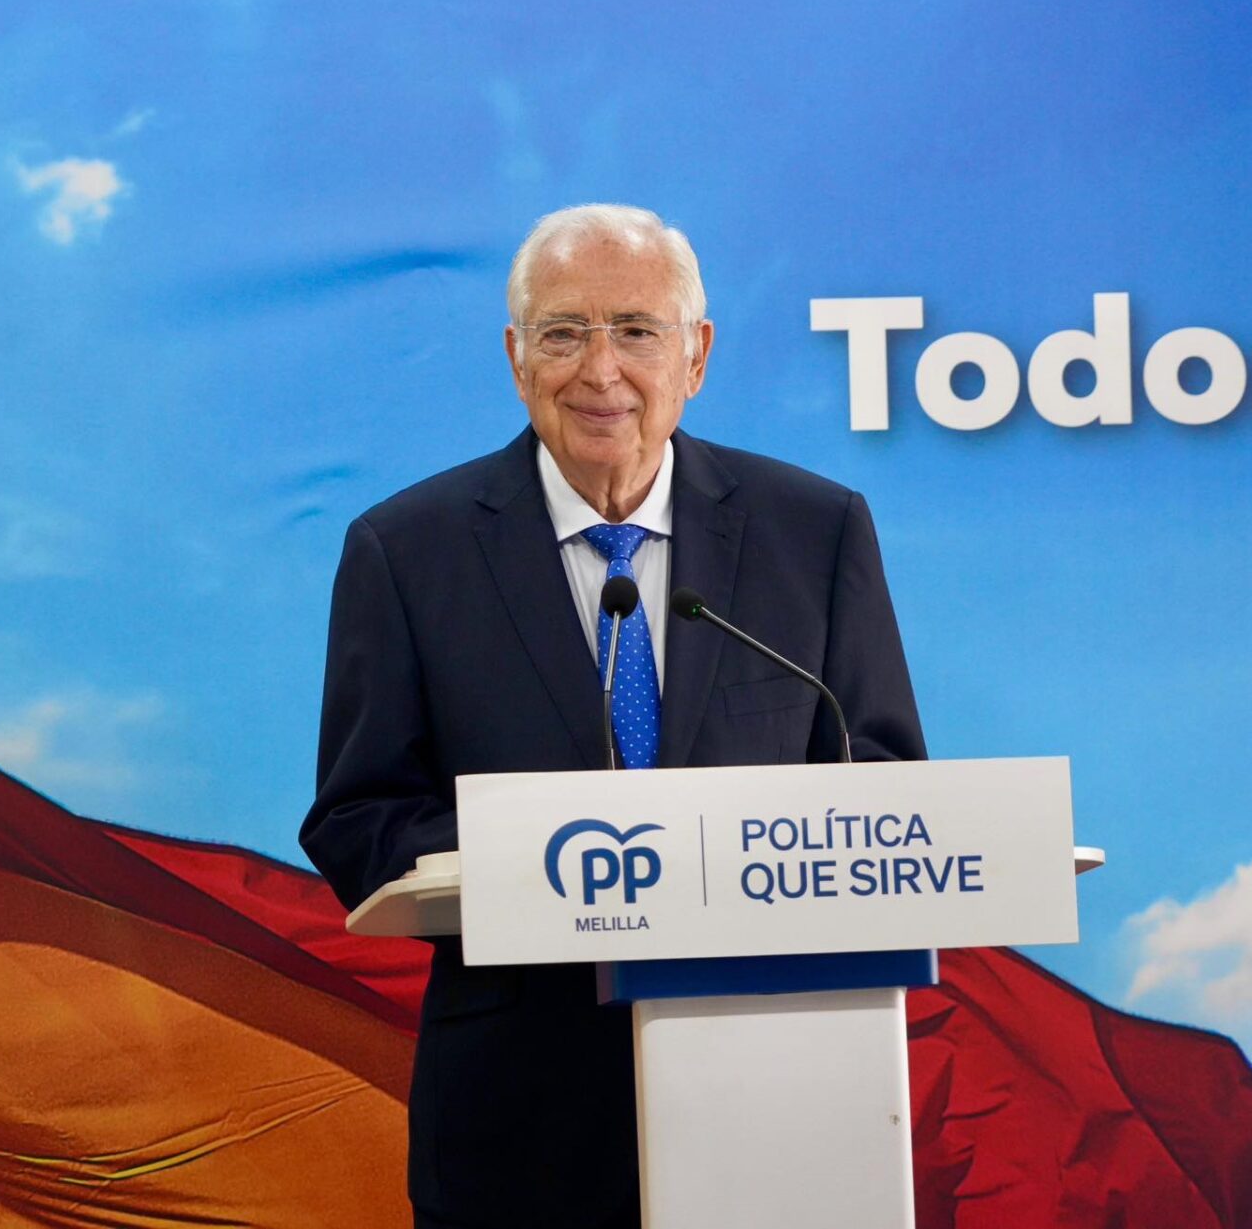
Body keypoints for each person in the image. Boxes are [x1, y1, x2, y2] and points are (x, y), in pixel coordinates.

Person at [299, 204, 925, 1229]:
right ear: (516, 358)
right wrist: (553, 854)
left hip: (780, 1098)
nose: (601, 371)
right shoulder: (406, 552)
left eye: (636, 330)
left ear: (696, 354)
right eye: (563, 333)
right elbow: (358, 819)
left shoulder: (815, 533)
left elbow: (884, 786)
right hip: (521, 1120)